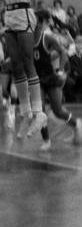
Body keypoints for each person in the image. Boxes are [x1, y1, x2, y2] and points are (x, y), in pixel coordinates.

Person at [1, 0, 47, 139]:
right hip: (9, 16)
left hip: (23, 14)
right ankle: (26, 113)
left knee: (28, 62)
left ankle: (38, 113)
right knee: (16, 65)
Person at [33, 10, 82, 151]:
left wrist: (60, 71)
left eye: (34, 20)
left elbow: (63, 53)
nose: (31, 22)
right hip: (36, 79)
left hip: (50, 78)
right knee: (39, 110)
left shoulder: (47, 38)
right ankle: (46, 140)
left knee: (58, 110)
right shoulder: (26, 39)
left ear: (41, 22)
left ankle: (76, 125)